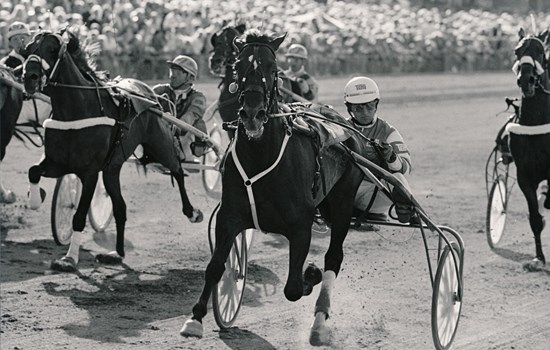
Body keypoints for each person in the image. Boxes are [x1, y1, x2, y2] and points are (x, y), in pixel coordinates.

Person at [343, 76, 414, 228]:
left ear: (376, 104)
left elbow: (406, 168)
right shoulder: (339, 129)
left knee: (399, 178)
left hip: (373, 193)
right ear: (349, 108)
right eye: (358, 108)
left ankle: (408, 210)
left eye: (369, 106)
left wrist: (391, 157)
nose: (364, 112)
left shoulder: (388, 132)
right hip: (343, 193)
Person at [153, 55, 208, 165]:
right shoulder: (159, 90)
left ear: (190, 78)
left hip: (184, 138)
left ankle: (191, 151)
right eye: (172, 72)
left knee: (198, 124)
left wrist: (171, 128)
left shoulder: (198, 98)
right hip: (160, 134)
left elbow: (190, 117)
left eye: (178, 73)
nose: (172, 76)